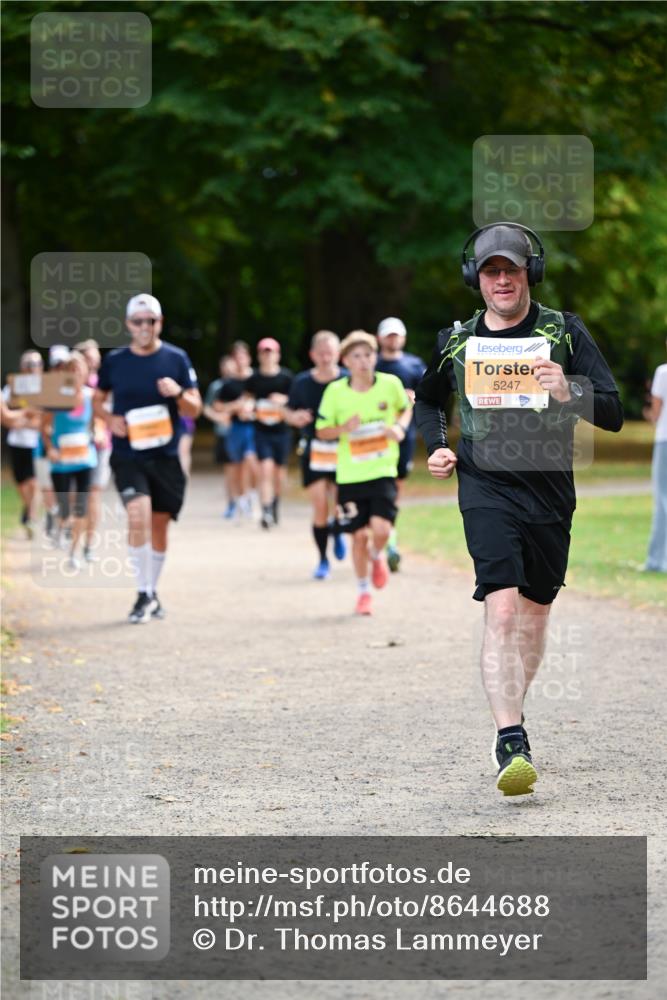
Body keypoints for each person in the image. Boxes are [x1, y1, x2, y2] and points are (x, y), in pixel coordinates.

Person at [415, 222, 623, 796]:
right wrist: (437, 445)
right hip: (485, 485)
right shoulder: (456, 341)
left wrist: (569, 390)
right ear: (475, 279)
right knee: (502, 610)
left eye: (511, 269)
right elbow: (428, 400)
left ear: (530, 272)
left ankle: (513, 709)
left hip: (550, 491)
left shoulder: (564, 332)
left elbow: (612, 411)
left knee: (534, 616)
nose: (502, 280)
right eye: (491, 271)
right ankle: (511, 738)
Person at [94, 293, 202, 623]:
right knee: (137, 515)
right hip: (128, 455)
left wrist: (178, 392)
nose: (144, 326)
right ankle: (142, 593)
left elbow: (195, 407)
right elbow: (97, 399)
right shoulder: (115, 361)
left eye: (150, 321)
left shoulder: (176, 358)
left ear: (160, 323)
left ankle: (151, 592)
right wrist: (109, 419)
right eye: (138, 321)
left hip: (165, 456)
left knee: (159, 525)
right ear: (128, 324)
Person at [316, 330, 412, 615]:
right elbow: (321, 430)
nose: (363, 361)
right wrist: (343, 428)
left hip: (383, 469)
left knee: (381, 529)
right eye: (356, 356)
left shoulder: (390, 384)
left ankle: (376, 554)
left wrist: (399, 428)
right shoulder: (335, 392)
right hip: (350, 476)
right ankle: (363, 592)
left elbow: (406, 408)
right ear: (345, 361)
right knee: (357, 537)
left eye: (368, 355)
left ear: (375, 357)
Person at [285, 330, 347, 579]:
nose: (325, 358)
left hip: (343, 448)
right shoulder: (302, 382)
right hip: (314, 449)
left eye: (330, 353)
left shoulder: (347, 379)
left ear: (338, 354)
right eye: (321, 353)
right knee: (320, 505)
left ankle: (338, 529)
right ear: (312, 355)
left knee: (340, 505)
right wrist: (295, 417)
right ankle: (322, 559)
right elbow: (287, 411)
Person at [375, 316, 426, 571]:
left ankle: (389, 540)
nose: (393, 339)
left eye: (396, 335)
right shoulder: (371, 363)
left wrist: (415, 397)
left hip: (403, 435)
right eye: (388, 335)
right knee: (375, 487)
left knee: (394, 488)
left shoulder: (415, 364)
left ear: (403, 338)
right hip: (373, 436)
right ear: (379, 338)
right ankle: (381, 540)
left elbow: (430, 394)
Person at [41, 351, 97, 569]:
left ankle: (74, 552)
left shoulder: (90, 397)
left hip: (85, 459)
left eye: (79, 370)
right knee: (65, 508)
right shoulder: (56, 397)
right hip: (61, 462)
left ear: (85, 373)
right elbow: (44, 427)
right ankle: (61, 524)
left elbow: (97, 422)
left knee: (81, 506)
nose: (75, 374)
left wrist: (99, 433)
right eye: (71, 370)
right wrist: (50, 448)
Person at [244, 338, 293, 529]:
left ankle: (274, 505)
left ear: (277, 355)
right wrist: (248, 406)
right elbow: (247, 399)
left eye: (270, 352)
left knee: (279, 475)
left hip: (282, 432)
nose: (267, 356)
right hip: (261, 431)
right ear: (259, 355)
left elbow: (296, 401)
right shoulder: (254, 379)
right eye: (264, 352)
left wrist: (283, 400)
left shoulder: (286, 378)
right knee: (265, 469)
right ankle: (265, 510)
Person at [75, 339, 112, 561]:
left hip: (100, 445)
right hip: (75, 446)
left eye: (96, 356)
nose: (94, 360)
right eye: (89, 357)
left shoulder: (104, 381)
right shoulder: (69, 385)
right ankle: (74, 539)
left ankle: (89, 544)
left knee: (94, 494)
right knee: (77, 495)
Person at [1, 350, 43, 538]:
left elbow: (45, 418)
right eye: (30, 365)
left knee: (34, 482)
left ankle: (32, 516)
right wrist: (26, 418)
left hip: (37, 442)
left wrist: (25, 421)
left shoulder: (46, 388)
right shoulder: (11, 389)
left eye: (37, 364)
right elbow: (6, 418)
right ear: (22, 367)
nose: (34, 368)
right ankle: (28, 510)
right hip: (17, 442)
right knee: (21, 482)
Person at [215, 341, 258, 520]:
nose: (240, 360)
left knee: (252, 462)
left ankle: (252, 494)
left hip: (254, 427)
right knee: (237, 467)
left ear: (249, 358)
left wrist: (253, 409)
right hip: (236, 428)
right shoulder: (229, 383)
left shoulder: (257, 379)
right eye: (237, 357)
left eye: (243, 357)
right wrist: (236, 406)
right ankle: (241, 500)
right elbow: (218, 406)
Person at [203, 355, 235, 516]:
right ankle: (231, 502)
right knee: (229, 469)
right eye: (225, 366)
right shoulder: (216, 387)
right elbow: (207, 408)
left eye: (231, 366)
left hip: (243, 432)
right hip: (224, 433)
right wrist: (218, 417)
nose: (228, 369)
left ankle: (246, 497)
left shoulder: (245, 384)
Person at [645, 343, 667, 573]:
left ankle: (656, 561)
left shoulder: (663, 372)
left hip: (664, 440)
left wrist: (649, 414)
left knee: (662, 499)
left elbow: (656, 412)